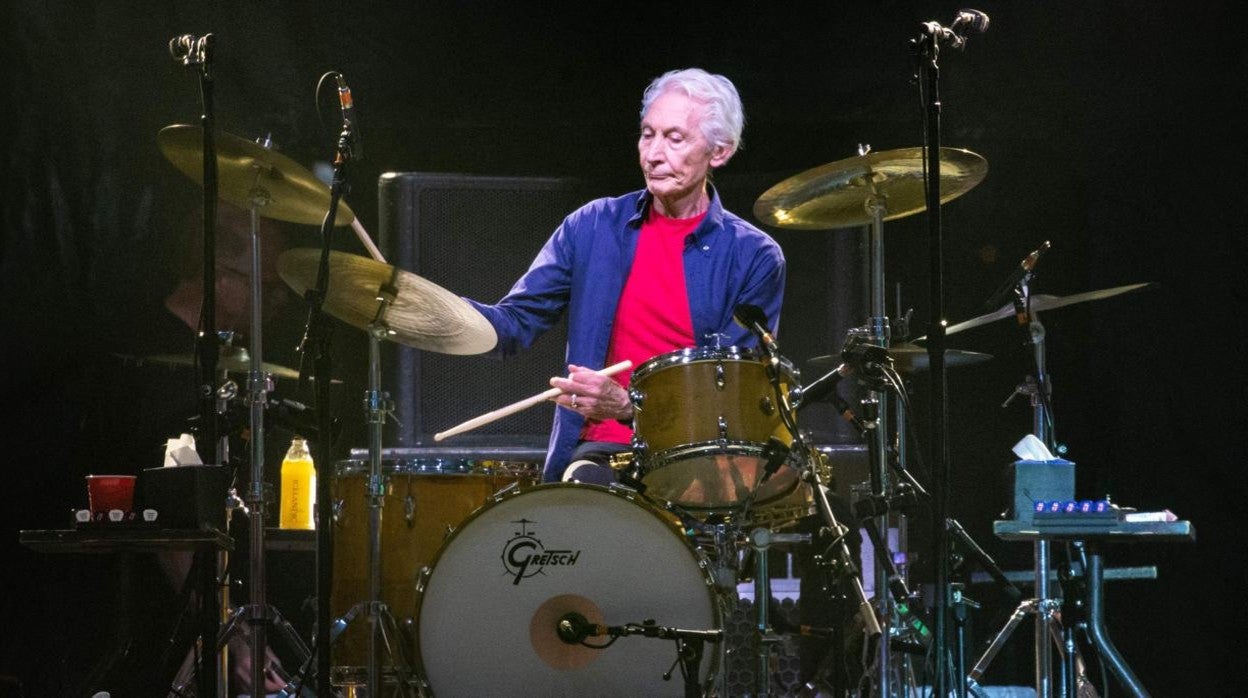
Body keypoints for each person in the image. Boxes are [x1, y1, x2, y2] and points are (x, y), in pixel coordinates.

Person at [465, 67, 786, 484]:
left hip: (696, 459)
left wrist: (628, 404)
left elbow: (727, 399)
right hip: (601, 453)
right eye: (647, 134)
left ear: (719, 152)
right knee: (582, 492)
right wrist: (426, 310)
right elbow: (512, 325)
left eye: (674, 138)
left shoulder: (754, 256)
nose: (652, 154)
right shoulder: (592, 226)